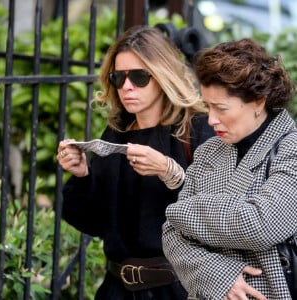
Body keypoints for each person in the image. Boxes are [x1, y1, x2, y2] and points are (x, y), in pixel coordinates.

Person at [57, 25, 215, 300]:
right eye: (119, 78)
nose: (127, 87)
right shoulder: (117, 132)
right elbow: (94, 222)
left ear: (162, 74)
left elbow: (219, 212)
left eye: (140, 77)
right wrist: (82, 176)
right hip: (117, 289)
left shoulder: (198, 129)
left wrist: (170, 173)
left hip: (179, 289)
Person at [162, 38, 297, 300]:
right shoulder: (209, 151)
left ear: (258, 101)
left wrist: (181, 210)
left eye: (221, 108)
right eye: (208, 106)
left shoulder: (291, 148)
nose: (211, 120)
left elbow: (261, 225)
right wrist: (220, 276)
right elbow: (170, 236)